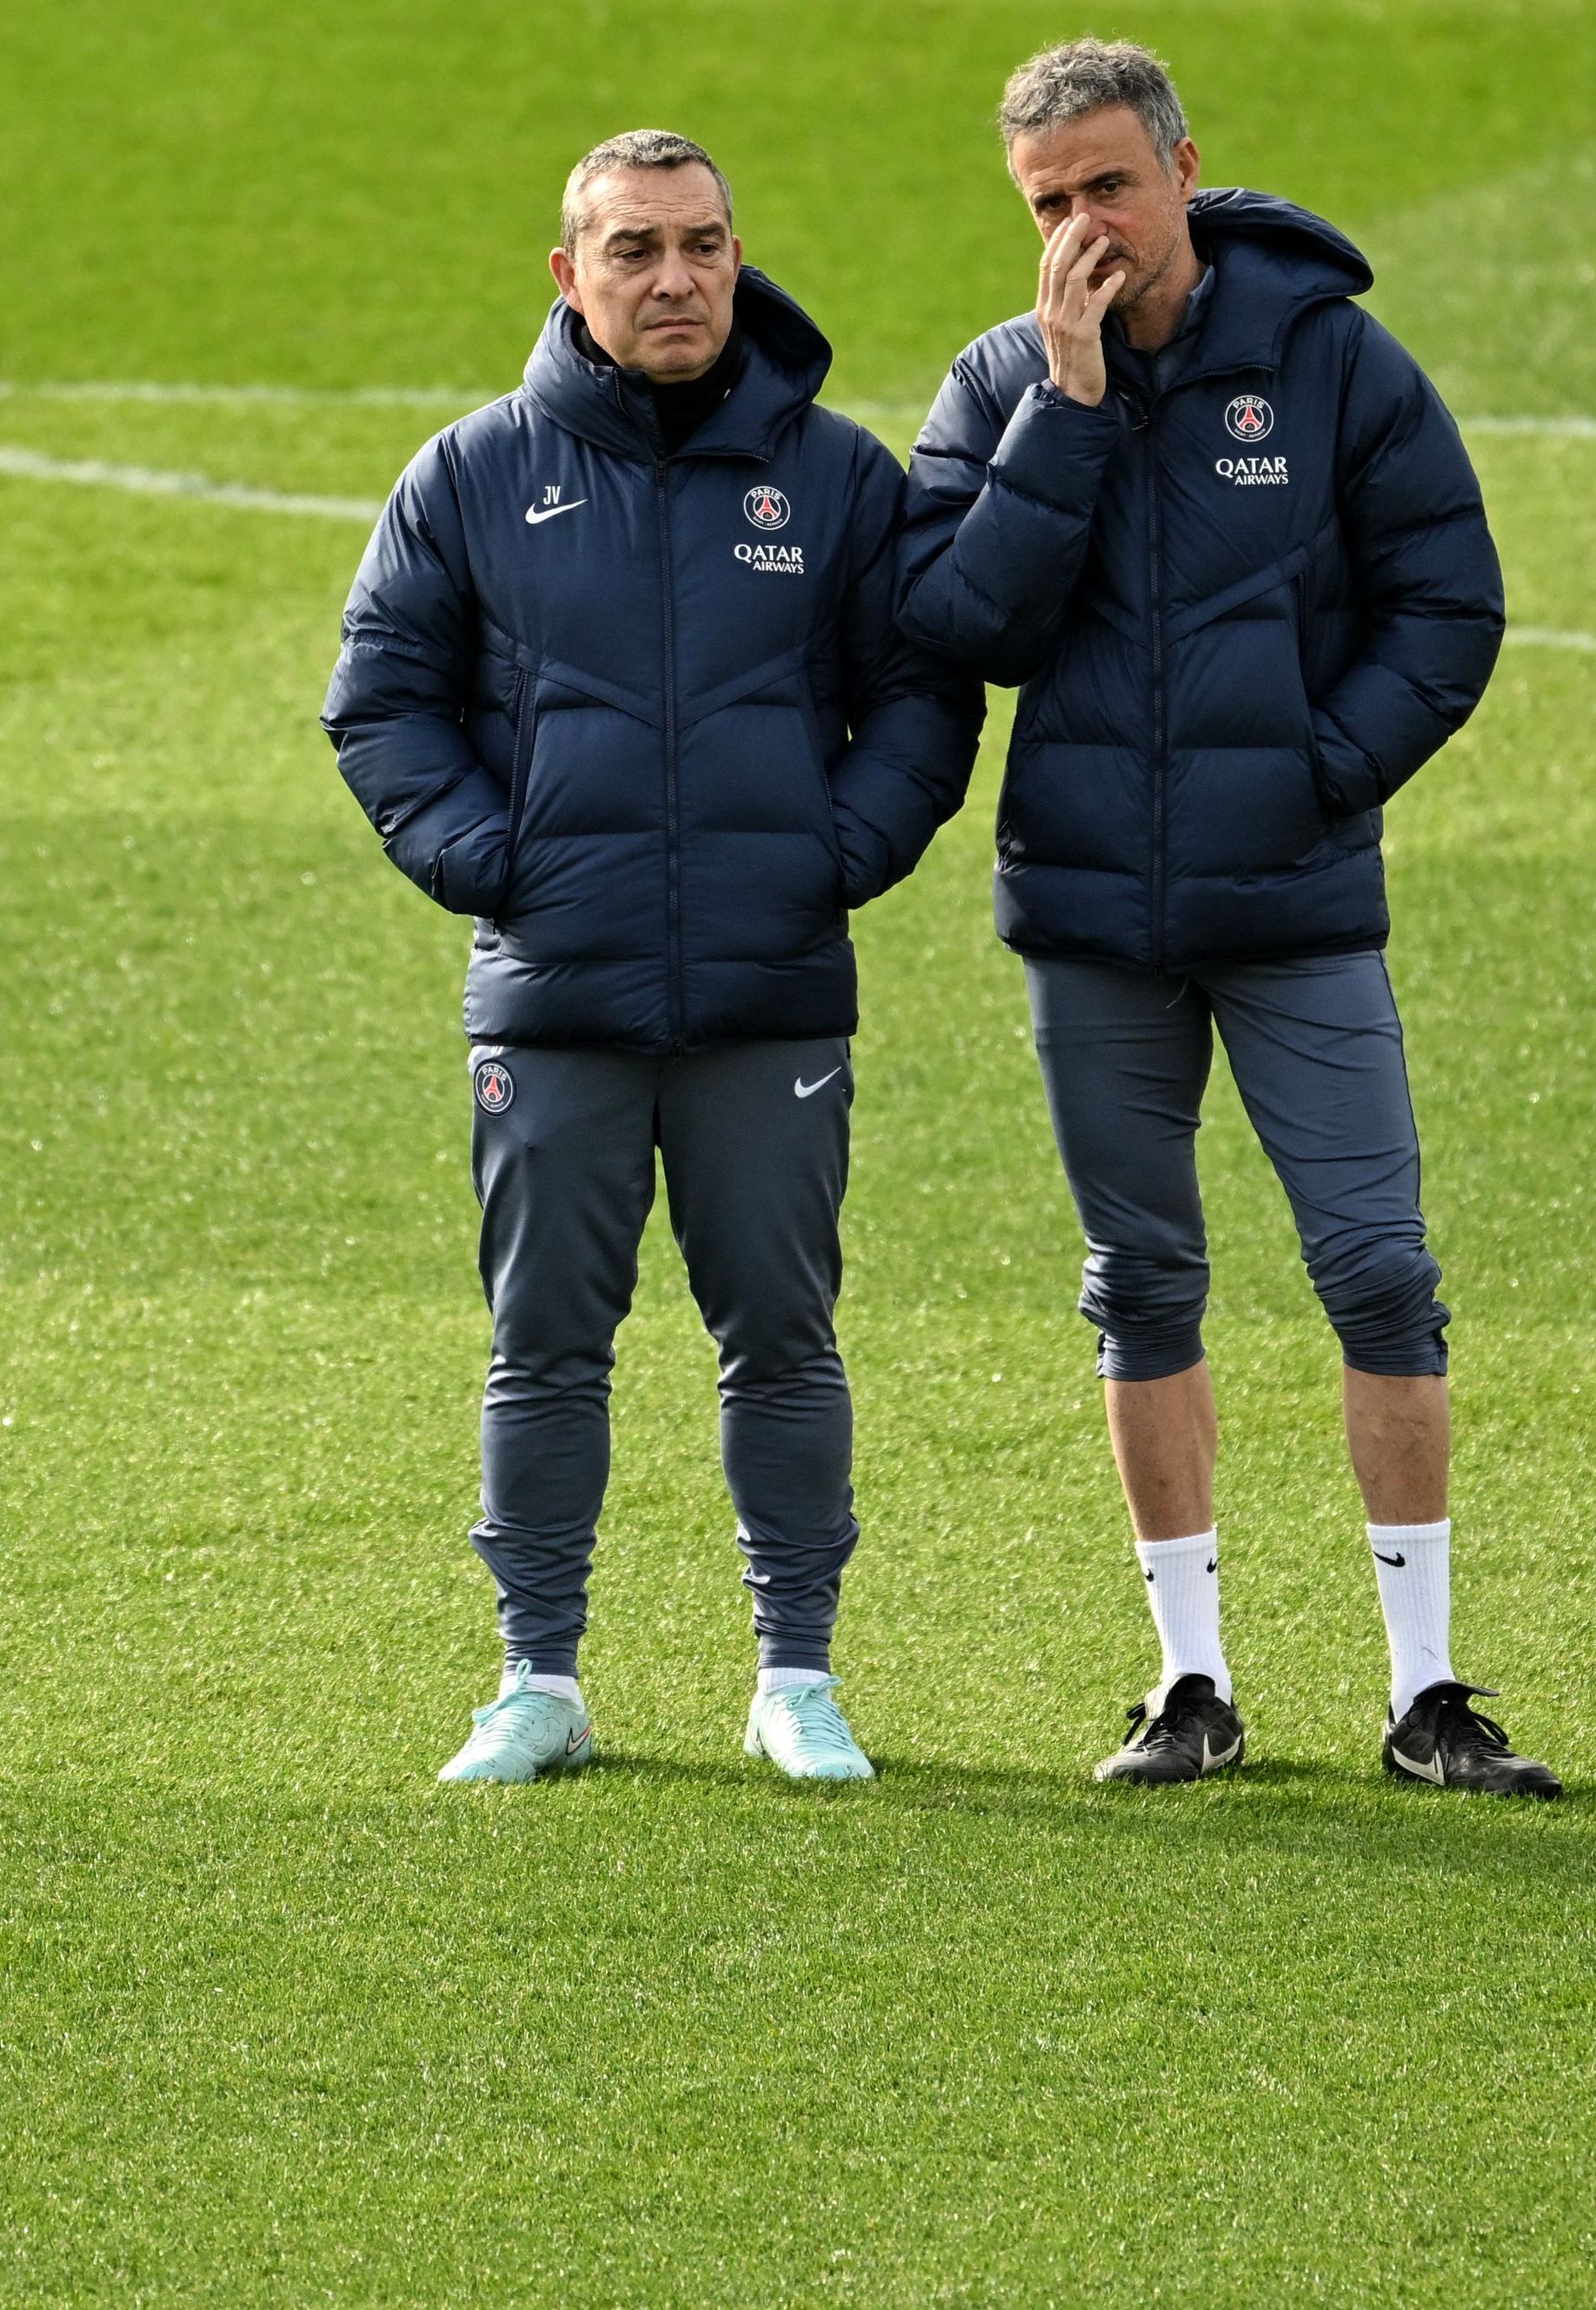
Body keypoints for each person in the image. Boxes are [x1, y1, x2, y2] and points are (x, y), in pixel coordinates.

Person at [898, 39, 1547, 1796]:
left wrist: (1326, 767)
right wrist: (1071, 401)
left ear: (1188, 166)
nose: (1087, 226)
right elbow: (970, 620)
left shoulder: (1331, 365)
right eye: (1051, 204)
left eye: (1112, 185)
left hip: (1298, 905)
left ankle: (1428, 1694)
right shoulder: (1000, 386)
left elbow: (1449, 599)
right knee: (1143, 1281)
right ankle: (1190, 1686)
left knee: (1379, 1270)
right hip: (1093, 921)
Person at [323, 131, 979, 1786]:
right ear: (571, 275)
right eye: (634, 250)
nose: (674, 279)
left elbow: (920, 697)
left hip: (771, 997)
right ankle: (536, 1678)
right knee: (545, 1346)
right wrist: (500, 866)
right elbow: (380, 701)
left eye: (701, 246)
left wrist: (837, 858)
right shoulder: (469, 476)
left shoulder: (834, 478)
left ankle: (798, 1677)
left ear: (738, 261)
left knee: (785, 1336)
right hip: (557, 998)